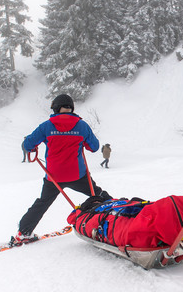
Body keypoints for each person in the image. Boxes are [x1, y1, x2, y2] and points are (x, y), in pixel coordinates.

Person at [14, 94, 112, 244]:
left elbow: (27, 145)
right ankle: (116, 216)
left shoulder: (46, 126)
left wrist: (33, 143)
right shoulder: (81, 125)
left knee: (42, 203)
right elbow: (94, 147)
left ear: (55, 108)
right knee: (98, 194)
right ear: (71, 108)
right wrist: (82, 142)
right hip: (78, 175)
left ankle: (24, 232)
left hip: (54, 178)